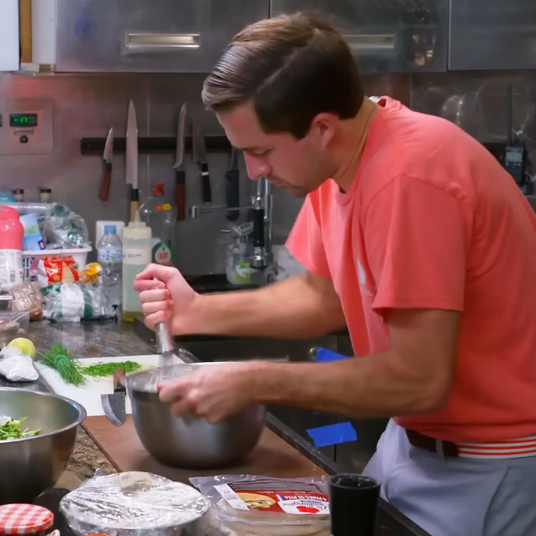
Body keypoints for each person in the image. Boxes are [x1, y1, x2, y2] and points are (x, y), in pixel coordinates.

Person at [133, 12, 536, 536]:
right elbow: (322, 296)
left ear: (322, 127)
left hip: (490, 467)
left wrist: (251, 380)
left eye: (261, 151)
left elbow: (420, 379)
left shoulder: (409, 177)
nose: (255, 170)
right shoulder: (341, 159)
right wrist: (199, 311)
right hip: (410, 445)